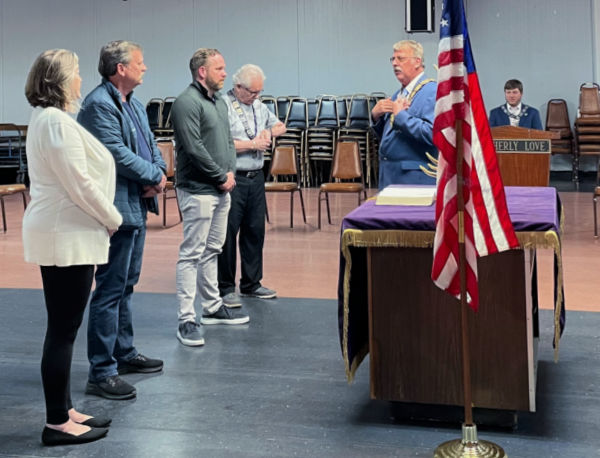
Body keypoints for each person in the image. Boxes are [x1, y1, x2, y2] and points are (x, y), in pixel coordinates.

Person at [23, 49, 122, 445]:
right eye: (76, 72)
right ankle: (56, 423)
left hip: (66, 233)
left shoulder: (51, 120)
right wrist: (113, 218)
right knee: (62, 332)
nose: (81, 79)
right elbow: (79, 184)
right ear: (59, 79)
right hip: (66, 235)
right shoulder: (54, 123)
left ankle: (64, 410)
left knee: (64, 328)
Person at [77, 41, 166, 400]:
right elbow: (114, 154)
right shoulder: (99, 105)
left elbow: (150, 144)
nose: (145, 68)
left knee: (127, 284)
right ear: (120, 69)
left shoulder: (136, 104)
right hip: (117, 207)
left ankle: (124, 353)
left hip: (136, 203)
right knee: (110, 289)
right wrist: (153, 176)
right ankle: (101, 371)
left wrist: (158, 172)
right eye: (139, 63)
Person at [172, 48, 250, 348]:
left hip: (222, 188)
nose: (225, 73)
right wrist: (221, 175)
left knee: (212, 250)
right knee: (192, 253)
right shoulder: (186, 103)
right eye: (219, 68)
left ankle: (212, 307)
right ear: (202, 72)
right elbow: (193, 148)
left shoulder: (219, 101)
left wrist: (229, 172)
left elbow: (226, 142)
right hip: (198, 189)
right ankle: (186, 319)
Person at [217, 64, 286, 308]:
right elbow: (220, 143)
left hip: (257, 177)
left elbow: (281, 126)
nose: (256, 96)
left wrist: (269, 132)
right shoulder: (222, 106)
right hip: (234, 177)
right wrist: (252, 144)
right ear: (237, 87)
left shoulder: (259, 105)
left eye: (259, 92)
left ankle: (251, 283)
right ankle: (225, 287)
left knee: (255, 231)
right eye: (252, 92)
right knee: (227, 234)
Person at [371, 40, 438, 189]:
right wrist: (376, 117)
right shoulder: (398, 94)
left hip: (414, 179)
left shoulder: (432, 91)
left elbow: (432, 134)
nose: (395, 63)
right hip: (391, 177)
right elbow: (391, 136)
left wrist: (401, 116)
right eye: (393, 59)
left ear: (417, 61)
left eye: (400, 58)